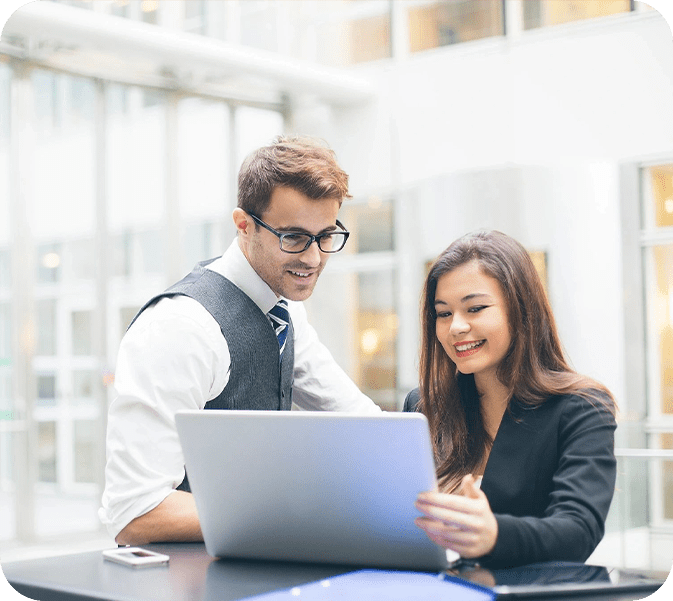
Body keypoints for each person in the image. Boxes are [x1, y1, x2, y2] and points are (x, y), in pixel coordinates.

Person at [100, 135, 381, 546]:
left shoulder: (285, 313)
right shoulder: (181, 327)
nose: (315, 258)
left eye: (326, 236)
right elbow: (135, 511)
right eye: (294, 237)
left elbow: (359, 420)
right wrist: (297, 510)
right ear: (244, 225)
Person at [405, 230, 617, 569]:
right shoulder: (423, 406)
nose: (455, 327)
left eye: (475, 308)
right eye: (443, 313)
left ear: (520, 311)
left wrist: (494, 535)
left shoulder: (582, 407)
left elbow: (578, 530)